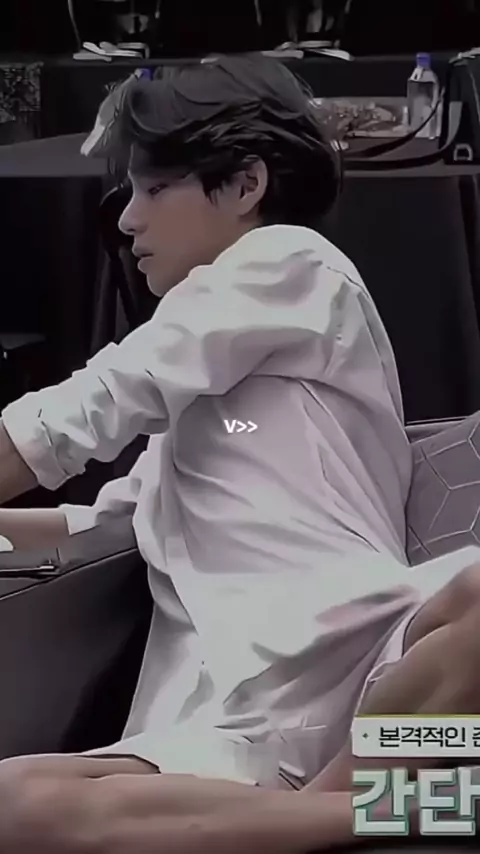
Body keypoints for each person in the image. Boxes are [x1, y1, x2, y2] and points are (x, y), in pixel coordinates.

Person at [0, 53, 479, 850]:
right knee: (12, 803)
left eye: (155, 189)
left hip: (369, 660)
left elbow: (80, 414)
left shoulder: (290, 264)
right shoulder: (201, 397)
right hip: (229, 716)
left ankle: (333, 807)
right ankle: (376, 809)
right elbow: (107, 526)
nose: (128, 221)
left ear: (246, 185)